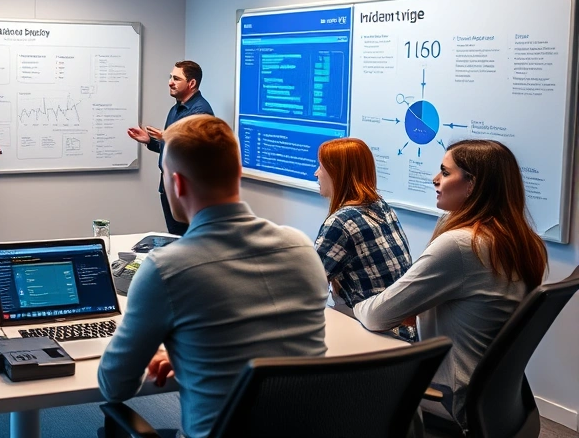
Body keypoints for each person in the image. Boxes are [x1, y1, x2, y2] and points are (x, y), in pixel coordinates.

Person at [99, 115, 328, 438]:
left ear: (176, 184)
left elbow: (114, 385)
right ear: (237, 173)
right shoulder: (301, 248)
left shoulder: (167, 269)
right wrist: (198, 352)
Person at [354, 139, 548, 429]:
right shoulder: (521, 241)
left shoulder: (461, 244)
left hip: (449, 398)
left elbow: (376, 315)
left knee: (339, 392)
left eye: (445, 172)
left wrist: (353, 306)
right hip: (496, 402)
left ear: (473, 184)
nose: (435, 178)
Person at [313, 138, 413, 315]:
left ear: (337, 173)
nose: (316, 173)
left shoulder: (342, 222)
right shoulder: (383, 207)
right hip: (400, 321)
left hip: (370, 325)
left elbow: (308, 284)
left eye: (321, 167)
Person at [127, 60, 214, 235]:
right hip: (169, 187)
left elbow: (194, 152)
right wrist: (150, 141)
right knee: (175, 239)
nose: (170, 82)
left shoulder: (200, 112)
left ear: (191, 83)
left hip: (187, 191)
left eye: (176, 78)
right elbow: (172, 150)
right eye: (170, 77)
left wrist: (166, 137)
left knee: (188, 242)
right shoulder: (176, 109)